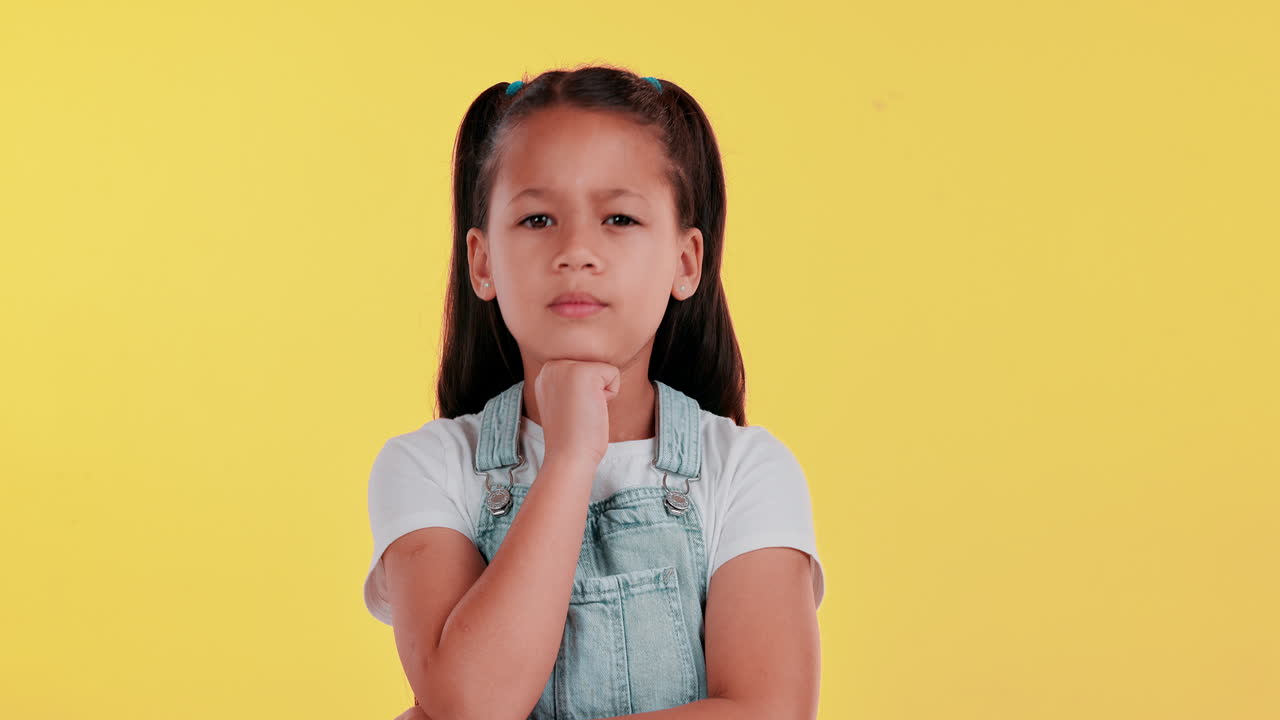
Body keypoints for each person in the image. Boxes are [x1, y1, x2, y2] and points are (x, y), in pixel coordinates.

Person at [363, 64, 825, 720]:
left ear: (686, 262)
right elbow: (474, 701)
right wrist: (572, 457)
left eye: (618, 218)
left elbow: (767, 710)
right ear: (483, 262)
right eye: (539, 218)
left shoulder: (746, 471)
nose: (577, 250)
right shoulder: (429, 468)